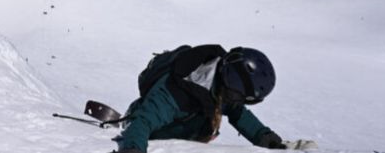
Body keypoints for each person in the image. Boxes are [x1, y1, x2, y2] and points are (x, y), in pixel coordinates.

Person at [113, 45, 285, 153]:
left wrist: (263, 136)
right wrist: (133, 148)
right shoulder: (174, 91)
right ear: (230, 84)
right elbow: (143, 121)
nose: (236, 102)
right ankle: (126, 119)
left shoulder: (222, 84)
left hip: (186, 136)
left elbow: (237, 113)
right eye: (237, 97)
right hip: (150, 131)